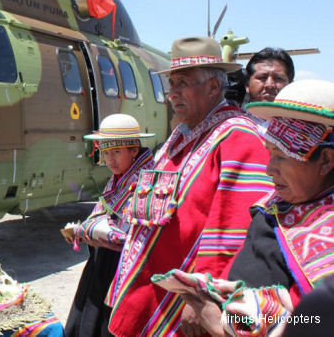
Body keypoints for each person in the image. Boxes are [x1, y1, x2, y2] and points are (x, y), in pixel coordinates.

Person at [106, 37, 274, 336]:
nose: (172, 94)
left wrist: (202, 297)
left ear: (212, 87)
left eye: (181, 83)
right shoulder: (182, 135)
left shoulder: (238, 137)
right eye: (170, 85)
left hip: (187, 303)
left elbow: (232, 231)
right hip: (157, 292)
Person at [171, 79, 334, 336]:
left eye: (281, 156)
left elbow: (318, 321)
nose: (269, 169)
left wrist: (222, 325)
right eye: (270, 153)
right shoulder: (277, 206)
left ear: (325, 160)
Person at [64, 114, 155, 337]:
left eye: (116, 152)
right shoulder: (118, 179)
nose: (110, 160)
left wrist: (95, 231)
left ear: (134, 150)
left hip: (127, 267)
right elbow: (103, 213)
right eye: (105, 153)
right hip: (102, 264)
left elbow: (139, 232)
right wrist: (83, 231)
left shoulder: (147, 182)